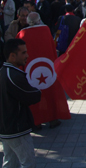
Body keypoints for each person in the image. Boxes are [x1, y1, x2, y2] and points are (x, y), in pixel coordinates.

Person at [0, 39, 41, 168]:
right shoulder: (13, 75)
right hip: (16, 129)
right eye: (23, 53)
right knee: (28, 163)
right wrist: (38, 89)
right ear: (12, 56)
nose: (27, 56)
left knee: (10, 163)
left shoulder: (3, 72)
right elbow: (33, 96)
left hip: (6, 128)